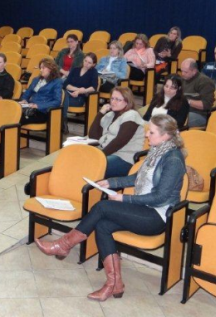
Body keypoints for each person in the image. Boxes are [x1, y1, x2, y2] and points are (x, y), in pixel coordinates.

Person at [35, 114, 186, 302]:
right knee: (103, 225)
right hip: (143, 209)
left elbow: (160, 197)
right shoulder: (157, 151)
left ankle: (64, 245)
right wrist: (110, 182)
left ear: (165, 136)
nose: (147, 135)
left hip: (156, 216)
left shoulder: (172, 160)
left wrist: (124, 198)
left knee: (103, 207)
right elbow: (136, 178)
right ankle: (114, 285)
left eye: (152, 132)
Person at [88, 87, 145, 178]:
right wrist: (100, 113)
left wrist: (100, 156)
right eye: (112, 98)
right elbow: (93, 136)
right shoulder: (110, 115)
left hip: (125, 158)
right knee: (79, 160)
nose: (113, 102)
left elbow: (119, 141)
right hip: (107, 153)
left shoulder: (131, 115)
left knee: (91, 166)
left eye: (118, 100)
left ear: (127, 101)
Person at [62, 52, 99, 130]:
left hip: (79, 98)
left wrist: (81, 91)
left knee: (60, 99)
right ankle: (62, 121)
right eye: (85, 61)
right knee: (60, 96)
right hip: (69, 93)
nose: (86, 64)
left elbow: (93, 87)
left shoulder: (93, 72)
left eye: (89, 62)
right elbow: (66, 84)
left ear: (94, 64)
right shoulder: (75, 69)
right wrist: (78, 89)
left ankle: (62, 121)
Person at [19, 58, 63, 125]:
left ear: (50, 69)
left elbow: (57, 101)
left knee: (17, 119)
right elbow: (28, 92)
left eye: (43, 68)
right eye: (40, 68)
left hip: (42, 112)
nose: (41, 70)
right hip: (30, 109)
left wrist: (38, 106)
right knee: (11, 114)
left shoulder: (57, 82)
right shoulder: (36, 79)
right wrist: (24, 100)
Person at [180, 59, 215, 128]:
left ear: (194, 71)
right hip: (182, 110)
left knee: (172, 121)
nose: (182, 74)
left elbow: (206, 105)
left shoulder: (205, 82)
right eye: (182, 71)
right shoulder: (183, 79)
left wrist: (186, 101)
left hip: (199, 114)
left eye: (185, 72)